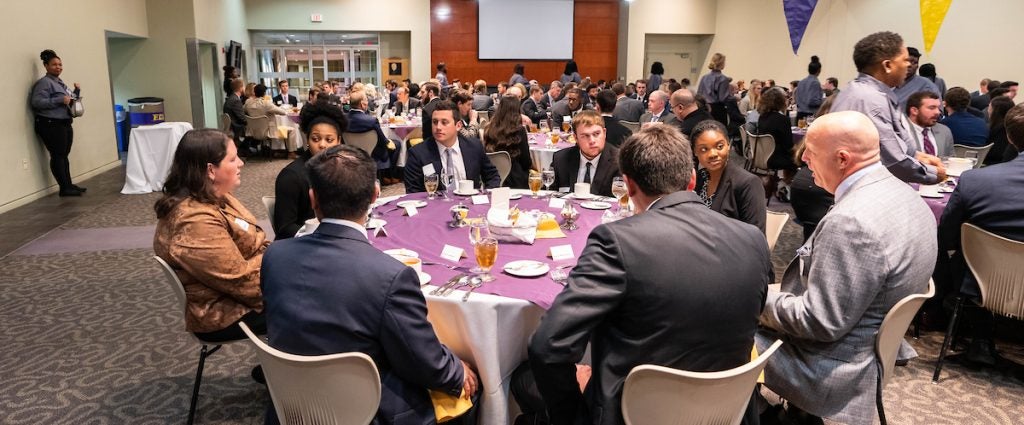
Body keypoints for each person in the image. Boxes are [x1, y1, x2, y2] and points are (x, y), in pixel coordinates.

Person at [524, 124, 772, 425]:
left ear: (628, 186)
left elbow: (547, 347)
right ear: (692, 179)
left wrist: (574, 416)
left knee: (522, 382)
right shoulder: (753, 239)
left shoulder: (615, 241)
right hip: (727, 411)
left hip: (634, 414)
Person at [261, 144, 478, 425]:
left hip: (288, 402)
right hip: (363, 411)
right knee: (470, 388)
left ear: (313, 198)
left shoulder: (274, 256)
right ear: (376, 195)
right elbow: (423, 362)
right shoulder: (389, 276)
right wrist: (458, 371)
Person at [757, 111, 936, 424]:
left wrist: (752, 297)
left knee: (721, 328)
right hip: (870, 343)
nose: (804, 161)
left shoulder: (852, 221)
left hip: (833, 366)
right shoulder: (905, 193)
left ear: (842, 158)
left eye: (809, 153)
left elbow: (819, 322)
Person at [154, 128, 269, 342]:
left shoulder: (215, 196)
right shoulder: (194, 221)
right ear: (210, 170)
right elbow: (240, 281)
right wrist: (291, 282)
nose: (241, 163)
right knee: (321, 305)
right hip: (224, 311)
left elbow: (253, 241)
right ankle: (287, 372)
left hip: (243, 291)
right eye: (233, 159)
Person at [936, 103, 1024, 366]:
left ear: (1008, 136)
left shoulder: (975, 181)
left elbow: (946, 236)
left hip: (979, 284)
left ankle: (977, 338)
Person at [830, 31, 947, 185]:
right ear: (887, 65)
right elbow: (891, 159)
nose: (909, 65)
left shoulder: (864, 91)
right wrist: (932, 174)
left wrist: (918, 156)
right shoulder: (871, 99)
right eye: (905, 60)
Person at [271, 102, 345, 240]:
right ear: (307, 139)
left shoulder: (343, 168)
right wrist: (322, 236)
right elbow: (285, 228)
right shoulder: (291, 176)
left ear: (339, 141)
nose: (322, 145)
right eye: (315, 139)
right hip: (304, 245)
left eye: (329, 140)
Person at [404, 100, 501, 193]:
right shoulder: (418, 153)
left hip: (470, 205)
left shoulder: (474, 147)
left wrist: (487, 196)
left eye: (444, 122)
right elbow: (413, 192)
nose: (438, 127)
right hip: (436, 207)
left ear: (458, 126)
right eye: (435, 122)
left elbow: (492, 176)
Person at [691, 120, 766, 232]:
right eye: (704, 149)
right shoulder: (698, 179)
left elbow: (756, 235)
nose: (713, 154)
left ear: (728, 145)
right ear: (695, 152)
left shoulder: (748, 183)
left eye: (719, 146)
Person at [30, 49, 85, 197]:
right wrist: (58, 100)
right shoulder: (44, 83)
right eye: (54, 64)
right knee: (58, 155)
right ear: (46, 66)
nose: (58, 67)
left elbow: (70, 99)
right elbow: (36, 102)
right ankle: (64, 188)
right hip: (50, 124)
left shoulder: (59, 83)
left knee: (64, 155)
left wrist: (76, 91)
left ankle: (68, 184)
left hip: (64, 123)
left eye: (60, 64)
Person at [550, 110, 620, 197]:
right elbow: (550, 195)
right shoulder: (561, 159)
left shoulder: (618, 161)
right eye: (585, 136)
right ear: (576, 138)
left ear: (604, 133)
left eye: (596, 134)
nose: (592, 141)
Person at [347, 91, 399, 183]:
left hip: (350, 151)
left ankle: (384, 177)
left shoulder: (343, 119)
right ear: (362, 104)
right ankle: (390, 176)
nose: (368, 102)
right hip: (372, 152)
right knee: (397, 144)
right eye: (366, 100)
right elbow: (383, 140)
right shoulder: (371, 120)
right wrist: (388, 142)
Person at [483, 95, 534, 189]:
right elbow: (526, 161)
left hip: (491, 177)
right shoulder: (519, 130)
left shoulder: (489, 128)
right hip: (516, 180)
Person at [754, 87, 797, 191]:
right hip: (776, 159)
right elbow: (788, 146)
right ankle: (785, 185)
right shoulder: (783, 119)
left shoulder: (762, 117)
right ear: (781, 101)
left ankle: (783, 185)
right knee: (799, 158)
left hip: (761, 156)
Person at [906, 91, 954, 158]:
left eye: (938, 108)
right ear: (914, 111)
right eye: (932, 108)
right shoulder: (901, 131)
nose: (937, 112)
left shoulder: (944, 131)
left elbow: (951, 159)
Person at [893, 47, 940, 111]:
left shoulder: (926, 86)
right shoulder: (889, 82)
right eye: (906, 61)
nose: (909, 65)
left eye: (914, 62)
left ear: (917, 66)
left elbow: (937, 112)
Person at [697, 53, 733, 126]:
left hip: (704, 110)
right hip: (717, 111)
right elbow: (723, 98)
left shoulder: (704, 77)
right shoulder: (723, 79)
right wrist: (734, 98)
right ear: (722, 63)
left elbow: (698, 95)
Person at [984, 96, 1017, 165]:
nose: (988, 110)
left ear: (995, 111)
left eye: (990, 107)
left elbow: (995, 154)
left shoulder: (999, 129)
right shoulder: (1012, 127)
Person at [795, 56, 824, 121]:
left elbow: (796, 98)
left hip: (800, 113)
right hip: (809, 115)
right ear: (819, 70)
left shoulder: (801, 82)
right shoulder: (815, 83)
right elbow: (812, 101)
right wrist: (824, 101)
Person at [223, 78, 248, 150]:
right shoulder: (236, 100)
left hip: (232, 126)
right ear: (241, 88)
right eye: (244, 86)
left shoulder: (231, 98)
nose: (244, 88)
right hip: (236, 128)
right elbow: (242, 119)